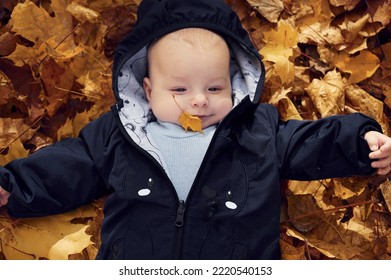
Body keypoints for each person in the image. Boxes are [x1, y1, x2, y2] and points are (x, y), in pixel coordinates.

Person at [0, 0, 390, 260]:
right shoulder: (122, 133)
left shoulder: (256, 132)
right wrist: (14, 187)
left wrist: (361, 142)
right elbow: (71, 165)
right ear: (148, 90)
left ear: (235, 84)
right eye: (180, 89)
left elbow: (310, 143)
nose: (199, 101)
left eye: (214, 88)